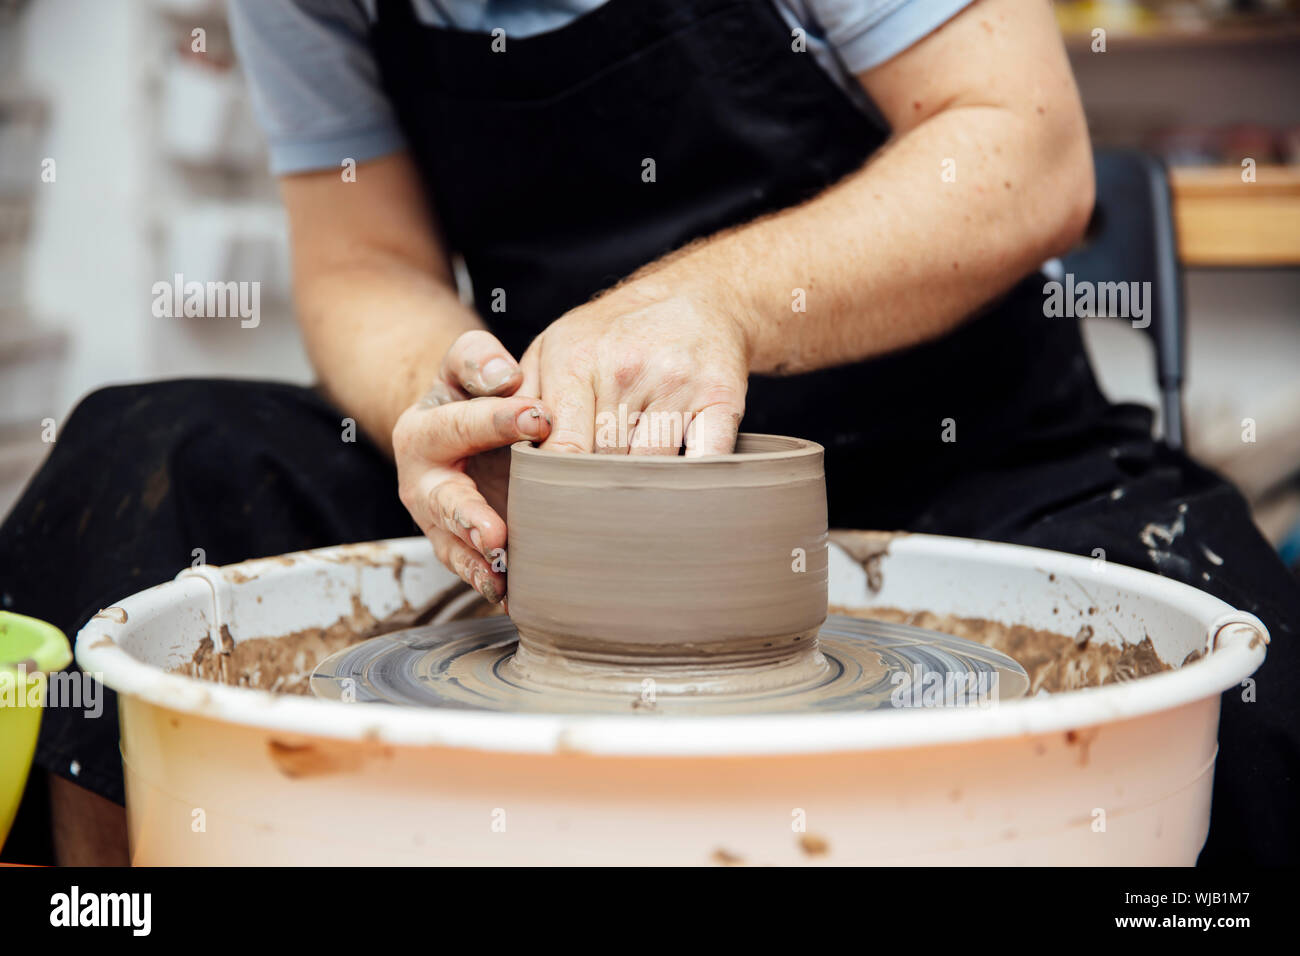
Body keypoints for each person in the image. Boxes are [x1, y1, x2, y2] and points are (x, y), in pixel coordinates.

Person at [2, 0, 1296, 865]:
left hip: (967, 465)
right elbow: (361, 260)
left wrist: (712, 301)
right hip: (555, 501)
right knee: (142, 462)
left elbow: (1025, 148)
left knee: (1244, 684)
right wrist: (444, 403)